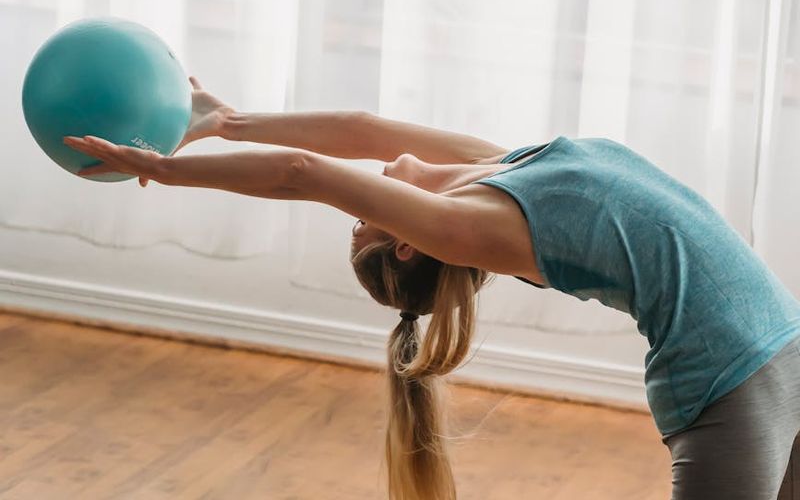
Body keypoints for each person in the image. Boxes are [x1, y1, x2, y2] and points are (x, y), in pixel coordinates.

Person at [64, 77, 800, 500]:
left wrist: (224, 122)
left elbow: (360, 128)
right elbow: (304, 174)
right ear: (408, 238)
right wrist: (162, 170)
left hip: (785, 339)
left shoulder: (501, 168)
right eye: (365, 219)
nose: (364, 201)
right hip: (731, 381)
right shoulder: (467, 223)